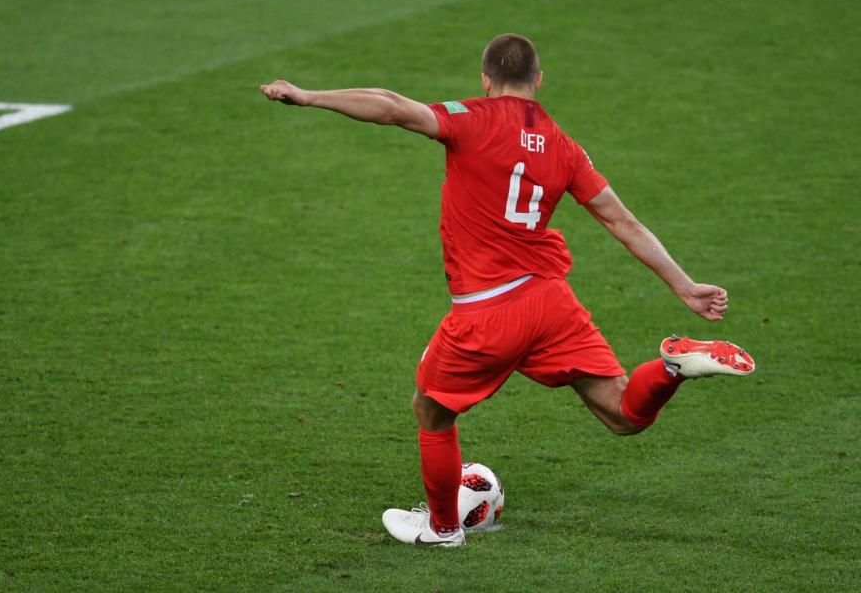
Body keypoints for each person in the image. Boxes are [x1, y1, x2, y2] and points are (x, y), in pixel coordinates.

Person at [259, 33, 755, 548]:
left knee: (432, 410)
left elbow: (390, 106)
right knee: (622, 412)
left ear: (485, 78)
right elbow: (623, 222)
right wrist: (686, 286)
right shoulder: (566, 147)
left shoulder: (470, 118)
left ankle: (443, 529)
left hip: (488, 308)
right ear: (538, 80)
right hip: (550, 299)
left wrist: (310, 95)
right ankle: (673, 367)